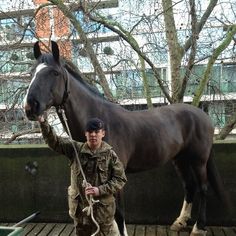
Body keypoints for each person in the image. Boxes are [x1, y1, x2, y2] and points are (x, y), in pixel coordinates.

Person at [38, 116, 127, 236]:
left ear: (103, 133)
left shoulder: (110, 155)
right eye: (90, 132)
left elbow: (120, 179)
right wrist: (43, 122)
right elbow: (54, 141)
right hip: (81, 215)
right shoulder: (74, 149)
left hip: (103, 215)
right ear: (86, 134)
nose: (93, 135)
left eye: (96, 132)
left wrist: (99, 190)